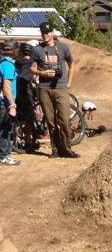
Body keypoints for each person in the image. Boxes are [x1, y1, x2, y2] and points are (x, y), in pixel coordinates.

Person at [29, 21, 78, 159]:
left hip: (61, 88)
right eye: (42, 33)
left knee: (64, 120)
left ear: (52, 33)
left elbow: (71, 63)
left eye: (47, 32)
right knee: (50, 121)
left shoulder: (63, 47)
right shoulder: (37, 49)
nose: (45, 35)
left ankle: (67, 149)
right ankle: (55, 149)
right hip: (44, 88)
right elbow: (31, 68)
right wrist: (42, 73)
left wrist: (68, 82)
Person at [0, 41, 20, 166]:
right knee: (4, 130)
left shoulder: (1, 62)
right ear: (14, 51)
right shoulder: (8, 65)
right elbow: (6, 87)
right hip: (5, 102)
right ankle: (4, 157)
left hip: (1, 101)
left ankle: (5, 155)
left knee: (4, 129)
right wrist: (12, 104)